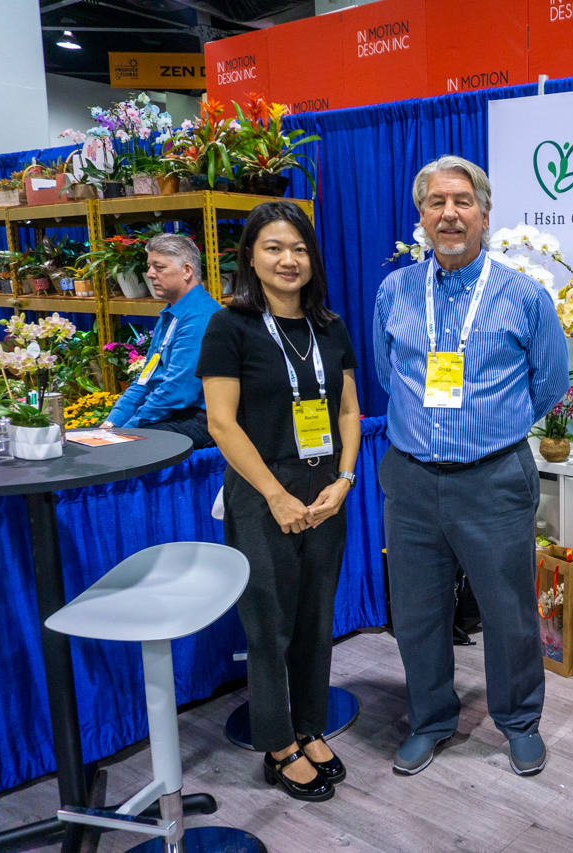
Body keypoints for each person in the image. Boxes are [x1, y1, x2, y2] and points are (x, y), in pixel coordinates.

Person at [374, 155, 567, 777]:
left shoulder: (524, 295)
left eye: (463, 202)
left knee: (508, 612)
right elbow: (388, 374)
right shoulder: (394, 291)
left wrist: (492, 425)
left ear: (484, 214)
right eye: (437, 202)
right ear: (421, 215)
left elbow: (550, 383)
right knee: (417, 611)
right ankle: (430, 720)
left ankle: (518, 721)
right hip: (411, 478)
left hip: (493, 480)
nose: (450, 214)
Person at [197, 201, 361, 802]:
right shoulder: (230, 327)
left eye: (298, 248)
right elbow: (221, 423)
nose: (288, 259)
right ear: (250, 256)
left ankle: (310, 727)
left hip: (325, 491)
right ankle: (277, 743)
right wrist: (275, 494)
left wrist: (344, 480)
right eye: (273, 247)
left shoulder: (330, 327)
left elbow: (349, 410)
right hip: (262, 493)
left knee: (317, 618)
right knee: (269, 626)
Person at [102, 233, 220, 447]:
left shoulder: (202, 316)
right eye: (149, 266)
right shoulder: (172, 314)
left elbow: (179, 390)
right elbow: (144, 379)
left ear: (187, 271)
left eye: (159, 267)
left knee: (123, 449)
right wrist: (112, 423)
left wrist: (127, 430)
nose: (150, 274)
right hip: (173, 413)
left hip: (198, 418)